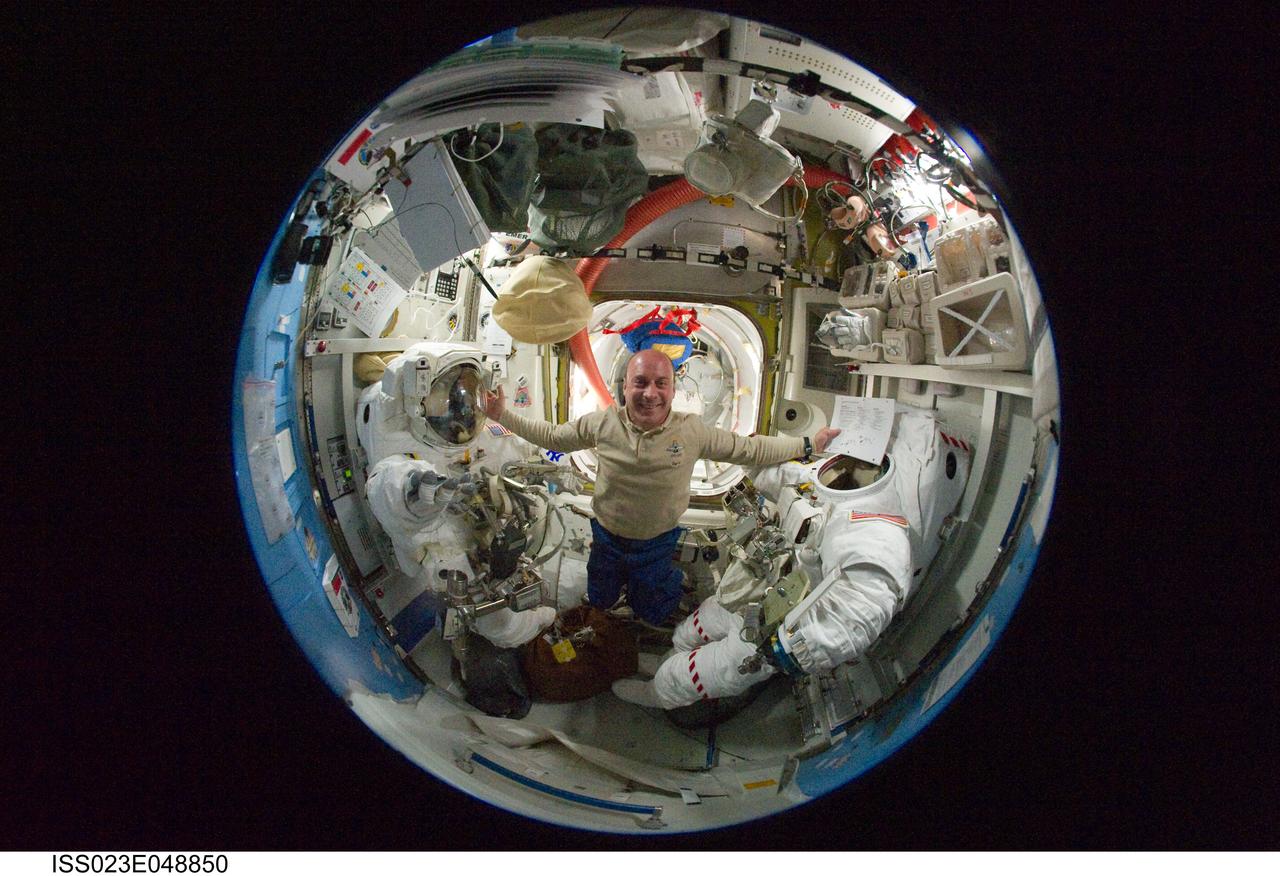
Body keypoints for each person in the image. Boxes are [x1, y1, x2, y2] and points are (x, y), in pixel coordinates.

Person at [480, 348, 841, 627]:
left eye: (660, 383)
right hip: (606, 536)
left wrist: (808, 445)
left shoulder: (691, 431)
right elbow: (551, 435)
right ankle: (607, 613)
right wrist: (502, 416)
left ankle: (654, 609)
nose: (649, 394)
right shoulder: (602, 424)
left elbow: (751, 448)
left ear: (672, 389)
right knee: (600, 596)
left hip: (657, 542)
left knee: (652, 606)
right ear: (624, 387)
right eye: (640, 382)